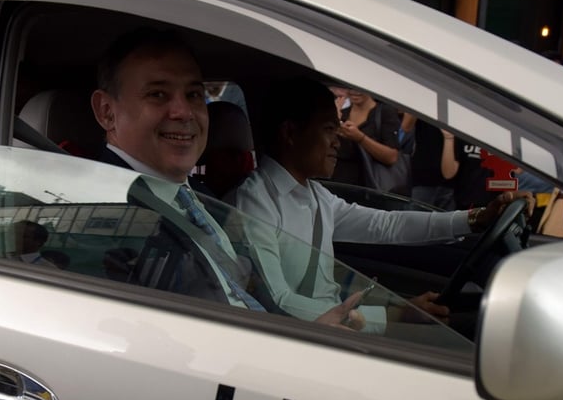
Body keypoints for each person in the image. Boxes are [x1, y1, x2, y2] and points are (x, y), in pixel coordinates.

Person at [90, 27, 361, 326]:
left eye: (194, 94)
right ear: (107, 113)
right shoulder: (104, 221)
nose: (184, 112)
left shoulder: (197, 194)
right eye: (157, 94)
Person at [228, 77, 534, 331]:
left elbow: (387, 224)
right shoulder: (254, 202)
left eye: (338, 130)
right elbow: (277, 301)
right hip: (316, 341)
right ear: (291, 133)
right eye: (328, 130)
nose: (338, 140)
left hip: (339, 328)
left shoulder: (315, 196)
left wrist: (475, 219)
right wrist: (392, 315)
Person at [333, 89, 403, 189]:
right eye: (350, 88)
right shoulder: (342, 114)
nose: (354, 92)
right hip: (338, 184)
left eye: (358, 88)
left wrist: (360, 138)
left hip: (369, 187)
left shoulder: (384, 113)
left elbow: (391, 157)